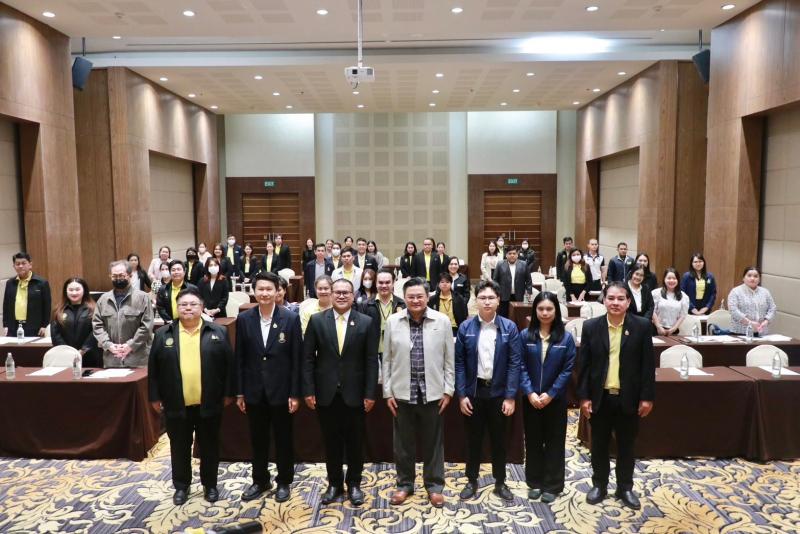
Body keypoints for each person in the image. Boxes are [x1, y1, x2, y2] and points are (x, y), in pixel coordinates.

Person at [148, 287, 235, 506]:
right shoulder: (163, 334)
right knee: (179, 447)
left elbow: (229, 367)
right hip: (176, 403)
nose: (188, 308)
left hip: (209, 402)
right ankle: (181, 486)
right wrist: (154, 397)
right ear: (177, 308)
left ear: (202, 307)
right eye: (183, 304)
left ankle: (210, 485)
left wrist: (228, 393)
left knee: (210, 446)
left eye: (193, 304)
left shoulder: (218, 332)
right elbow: (154, 370)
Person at [577, 282, 655, 510]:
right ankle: (599, 485)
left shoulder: (642, 326)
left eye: (621, 298)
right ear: (604, 300)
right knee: (599, 445)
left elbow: (648, 366)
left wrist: (647, 397)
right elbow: (584, 366)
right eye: (611, 298)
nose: (615, 303)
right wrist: (584, 397)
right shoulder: (591, 327)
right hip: (600, 397)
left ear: (629, 302)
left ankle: (625, 487)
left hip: (628, 397)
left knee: (626, 446)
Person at [302, 278, 379, 506]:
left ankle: (354, 483)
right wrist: (308, 390)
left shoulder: (366, 322)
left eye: (346, 292)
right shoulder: (317, 320)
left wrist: (370, 393)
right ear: (331, 294)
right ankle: (334, 483)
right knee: (331, 442)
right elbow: (308, 359)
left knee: (355, 442)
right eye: (338, 292)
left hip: (356, 394)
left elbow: (371, 361)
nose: (342, 296)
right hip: (325, 394)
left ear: (353, 296)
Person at [383, 278, 455, 508]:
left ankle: (434, 486)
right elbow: (386, 360)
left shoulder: (442, 321)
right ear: (404, 298)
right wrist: (387, 392)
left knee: (433, 443)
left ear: (428, 297)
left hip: (433, 392)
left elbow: (449, 360)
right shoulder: (393, 321)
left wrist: (448, 391)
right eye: (411, 296)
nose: (415, 300)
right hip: (402, 392)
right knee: (403, 443)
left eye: (419, 296)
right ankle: (404, 484)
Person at [236, 271, 303, 503]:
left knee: (284, 438)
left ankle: (284, 481)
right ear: (254, 291)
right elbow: (240, 358)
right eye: (260, 289)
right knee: (258, 439)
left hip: (282, 391)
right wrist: (240, 391)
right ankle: (260, 480)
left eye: (269, 289)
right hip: (254, 390)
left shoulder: (290, 318)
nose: (264, 293)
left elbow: (297, 358)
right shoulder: (244, 319)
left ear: (277, 292)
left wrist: (295, 393)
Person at [454, 280, 521, 502]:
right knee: (473, 439)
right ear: (476, 301)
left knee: (499, 440)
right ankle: (471, 480)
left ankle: (500, 481)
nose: (487, 302)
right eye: (482, 298)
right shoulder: (466, 328)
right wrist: (461, 395)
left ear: (498, 300)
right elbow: (459, 364)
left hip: (499, 394)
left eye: (491, 297)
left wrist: (510, 397)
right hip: (474, 392)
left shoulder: (509, 327)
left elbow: (514, 364)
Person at [518, 291, 575, 503]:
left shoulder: (566, 338)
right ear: (535, 311)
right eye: (540, 309)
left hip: (555, 400)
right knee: (533, 441)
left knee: (554, 443)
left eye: (549, 309)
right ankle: (534, 482)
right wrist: (530, 392)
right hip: (531, 399)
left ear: (556, 311)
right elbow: (520, 366)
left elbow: (567, 370)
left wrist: (551, 394)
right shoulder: (525, 336)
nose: (544, 313)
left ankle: (552, 485)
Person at [92, 260, 154, 368]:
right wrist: (108, 345)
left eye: (121, 275)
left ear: (130, 275)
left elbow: (147, 326)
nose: (118, 279)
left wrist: (131, 345)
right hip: (112, 358)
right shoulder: (103, 299)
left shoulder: (143, 297)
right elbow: (97, 325)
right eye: (114, 276)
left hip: (137, 359)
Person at [50, 277, 101, 368]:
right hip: (65, 356)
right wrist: (67, 351)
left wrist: (83, 350)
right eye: (71, 290)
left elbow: (96, 331)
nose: (74, 293)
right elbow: (55, 334)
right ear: (66, 291)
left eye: (77, 289)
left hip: (90, 355)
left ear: (84, 290)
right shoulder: (58, 310)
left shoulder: (94, 309)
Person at [3, 252, 52, 337]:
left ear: (30, 265)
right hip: (13, 327)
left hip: (35, 327)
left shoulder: (41, 283)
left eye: (23, 263)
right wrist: (5, 325)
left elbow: (47, 306)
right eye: (17, 264)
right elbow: (6, 305)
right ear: (14, 266)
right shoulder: (10, 283)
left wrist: (45, 325)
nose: (20, 266)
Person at [362, 269, 406, 358]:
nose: (384, 285)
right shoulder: (365, 305)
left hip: (396, 353)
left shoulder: (402, 304)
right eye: (381, 282)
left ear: (393, 283)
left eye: (387, 282)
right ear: (376, 283)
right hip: (373, 354)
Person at [727, 266, 777, 336]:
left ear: (759, 279)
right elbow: (733, 310)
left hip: (761, 333)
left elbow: (773, 308)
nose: (752, 278)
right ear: (743, 278)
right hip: (740, 333)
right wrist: (749, 323)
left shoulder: (765, 292)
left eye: (756, 276)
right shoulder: (736, 292)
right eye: (749, 275)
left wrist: (766, 321)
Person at [492, 246, 529, 318]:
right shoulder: (500, 264)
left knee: (518, 316)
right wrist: (496, 293)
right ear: (506, 255)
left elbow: (528, 279)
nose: (512, 255)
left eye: (514, 253)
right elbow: (495, 280)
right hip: (504, 295)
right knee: (503, 315)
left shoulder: (524, 264)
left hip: (519, 295)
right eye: (510, 253)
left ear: (517, 255)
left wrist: (529, 291)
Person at [652, 268, 690, 336]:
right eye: (669, 278)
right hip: (655, 329)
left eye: (674, 278)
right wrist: (659, 327)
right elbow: (652, 311)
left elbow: (683, 315)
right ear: (664, 279)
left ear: (678, 280)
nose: (671, 280)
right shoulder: (656, 293)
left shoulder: (684, 296)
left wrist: (673, 329)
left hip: (673, 331)